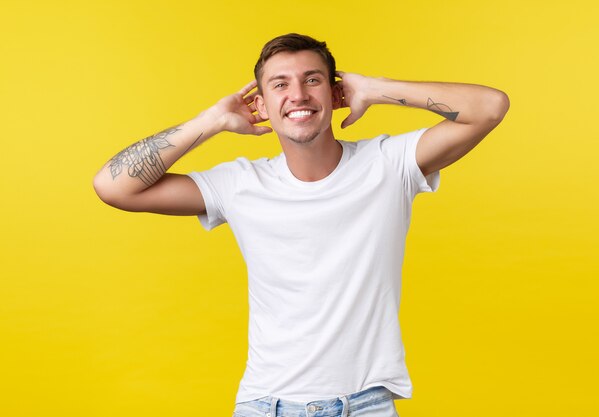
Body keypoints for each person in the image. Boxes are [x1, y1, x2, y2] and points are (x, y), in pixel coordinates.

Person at [93, 33, 509, 417]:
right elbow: (113, 186)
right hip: (264, 405)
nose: (297, 94)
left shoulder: (388, 164)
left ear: (335, 91)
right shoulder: (239, 184)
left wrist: (376, 90)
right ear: (260, 103)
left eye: (312, 80)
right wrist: (211, 121)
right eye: (279, 84)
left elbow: (490, 107)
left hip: (365, 405)